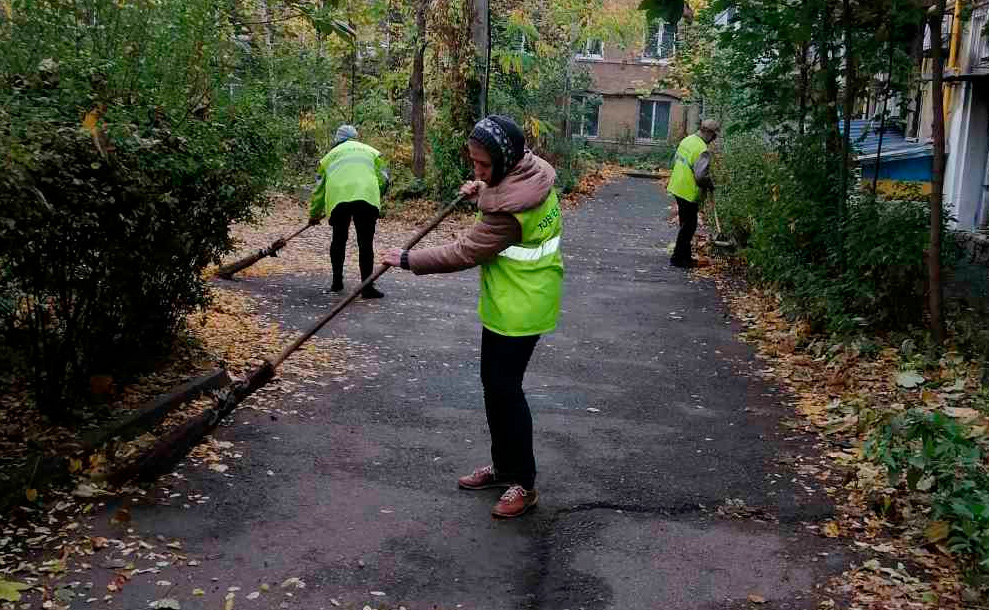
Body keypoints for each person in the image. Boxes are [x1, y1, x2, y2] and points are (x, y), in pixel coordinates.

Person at [381, 115, 562, 519]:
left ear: (505, 160)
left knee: (505, 390)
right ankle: (503, 468)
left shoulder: (509, 216)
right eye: (474, 164)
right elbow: (502, 188)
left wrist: (408, 259)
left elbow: (464, 251)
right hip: (509, 301)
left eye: (483, 166)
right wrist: (481, 186)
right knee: (494, 387)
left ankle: (525, 484)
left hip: (522, 306)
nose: (476, 171)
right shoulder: (533, 171)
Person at [309, 125, 390, 298]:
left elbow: (319, 189)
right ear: (356, 137)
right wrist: (376, 194)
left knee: (339, 239)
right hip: (366, 198)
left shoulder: (328, 157)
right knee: (365, 243)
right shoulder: (372, 152)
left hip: (339, 199)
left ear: (337, 140)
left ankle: (337, 282)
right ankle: (367, 287)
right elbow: (384, 179)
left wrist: (314, 214)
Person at [667, 119, 720, 268]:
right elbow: (700, 176)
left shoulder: (687, 140)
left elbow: (677, 161)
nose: (714, 139)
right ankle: (679, 259)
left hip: (677, 185)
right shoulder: (702, 149)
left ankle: (684, 257)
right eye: (714, 136)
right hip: (689, 191)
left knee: (685, 224)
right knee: (689, 226)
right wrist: (710, 184)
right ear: (709, 133)